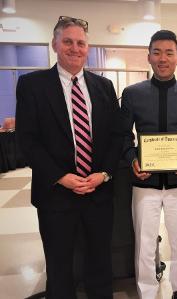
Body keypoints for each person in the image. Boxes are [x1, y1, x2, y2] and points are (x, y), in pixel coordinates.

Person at [15, 16, 123, 299]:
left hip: (98, 191)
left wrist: (105, 174)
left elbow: (117, 137)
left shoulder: (104, 87)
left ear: (88, 48)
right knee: (60, 266)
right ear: (55, 44)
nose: (75, 48)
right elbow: (27, 140)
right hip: (55, 194)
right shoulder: (32, 85)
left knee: (100, 262)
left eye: (81, 43)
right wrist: (61, 177)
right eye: (68, 42)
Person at [121, 30, 177, 299]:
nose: (163, 58)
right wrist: (132, 158)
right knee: (144, 244)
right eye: (157, 52)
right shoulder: (132, 94)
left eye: (169, 53)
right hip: (144, 182)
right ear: (148, 57)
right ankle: (147, 292)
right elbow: (124, 135)